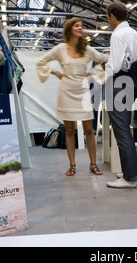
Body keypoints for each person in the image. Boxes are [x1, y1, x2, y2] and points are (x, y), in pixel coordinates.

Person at [37, 18, 109, 176]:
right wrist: (56, 72)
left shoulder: (86, 49)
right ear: (70, 29)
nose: (80, 28)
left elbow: (103, 59)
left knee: (89, 129)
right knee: (69, 131)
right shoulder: (60, 48)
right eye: (77, 26)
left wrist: (95, 72)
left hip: (82, 92)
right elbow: (42, 61)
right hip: (66, 91)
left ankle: (93, 164)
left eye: (82, 26)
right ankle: (72, 165)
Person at [104, 1, 137, 189]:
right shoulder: (135, 34)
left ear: (112, 16)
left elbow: (115, 65)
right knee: (124, 128)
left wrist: (103, 76)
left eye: (108, 17)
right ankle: (130, 172)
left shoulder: (118, 35)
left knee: (121, 130)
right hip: (134, 83)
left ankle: (130, 178)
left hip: (120, 84)